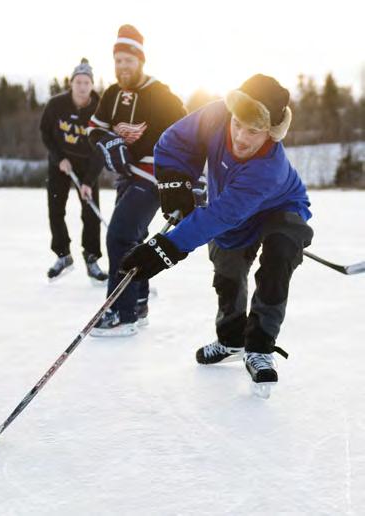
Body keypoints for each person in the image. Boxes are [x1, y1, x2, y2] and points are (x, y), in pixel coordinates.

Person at [120, 74, 314, 390]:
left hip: (280, 207)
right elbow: (174, 141)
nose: (240, 137)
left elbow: (219, 215)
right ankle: (231, 340)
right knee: (227, 268)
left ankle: (260, 347)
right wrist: (174, 183)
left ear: (271, 133)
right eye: (237, 124)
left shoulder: (269, 169)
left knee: (280, 256)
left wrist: (164, 249)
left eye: (254, 131)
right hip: (232, 206)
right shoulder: (216, 114)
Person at [87, 24, 186, 336]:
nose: (122, 66)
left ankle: (122, 313)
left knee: (119, 236)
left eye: (128, 60)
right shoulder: (112, 94)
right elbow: (94, 129)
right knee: (132, 239)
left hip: (154, 176)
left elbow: (189, 134)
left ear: (140, 60)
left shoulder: (161, 94)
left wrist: (191, 180)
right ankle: (139, 303)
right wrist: (106, 141)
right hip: (127, 176)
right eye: (117, 61)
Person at [40, 58, 107, 282]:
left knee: (90, 214)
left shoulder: (100, 110)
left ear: (92, 85)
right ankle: (63, 255)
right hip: (61, 164)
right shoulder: (56, 105)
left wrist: (88, 181)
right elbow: (46, 133)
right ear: (71, 83)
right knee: (56, 209)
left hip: (88, 165)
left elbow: (101, 148)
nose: (82, 86)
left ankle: (91, 258)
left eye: (86, 82)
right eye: (78, 81)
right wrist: (58, 158)